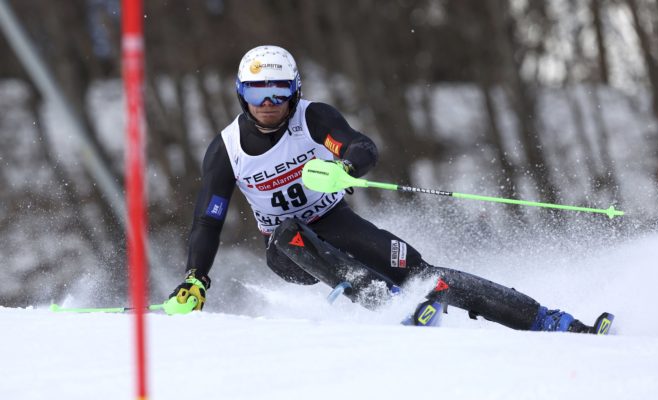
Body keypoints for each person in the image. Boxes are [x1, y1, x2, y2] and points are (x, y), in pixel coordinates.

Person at [166, 45, 613, 334]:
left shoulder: (312, 117)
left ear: (295, 90)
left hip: (336, 223)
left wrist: (344, 165)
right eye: (257, 92)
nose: (268, 103)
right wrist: (196, 278)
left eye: (279, 91)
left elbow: (361, 146)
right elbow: (209, 217)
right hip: (290, 252)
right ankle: (388, 302)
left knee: (426, 274)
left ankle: (556, 324)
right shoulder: (226, 149)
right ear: (241, 94)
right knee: (287, 234)